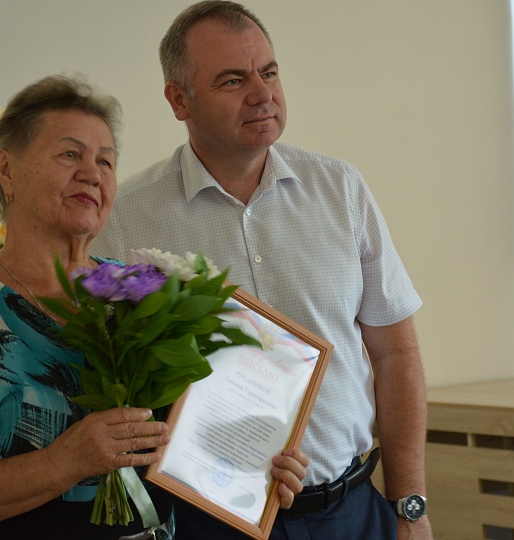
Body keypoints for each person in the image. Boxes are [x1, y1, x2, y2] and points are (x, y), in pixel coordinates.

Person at [0, 74, 310, 540]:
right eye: (70, 154)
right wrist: (64, 462)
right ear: (6, 169)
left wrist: (257, 468)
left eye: (105, 161)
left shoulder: (141, 292)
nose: (92, 173)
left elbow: (180, 444)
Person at [91, 2, 433, 539]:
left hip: (353, 512)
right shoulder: (125, 221)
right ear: (179, 100)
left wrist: (409, 506)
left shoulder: (341, 189)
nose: (262, 93)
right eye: (233, 80)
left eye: (269, 72)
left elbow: (396, 353)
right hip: (209, 522)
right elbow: (114, 382)